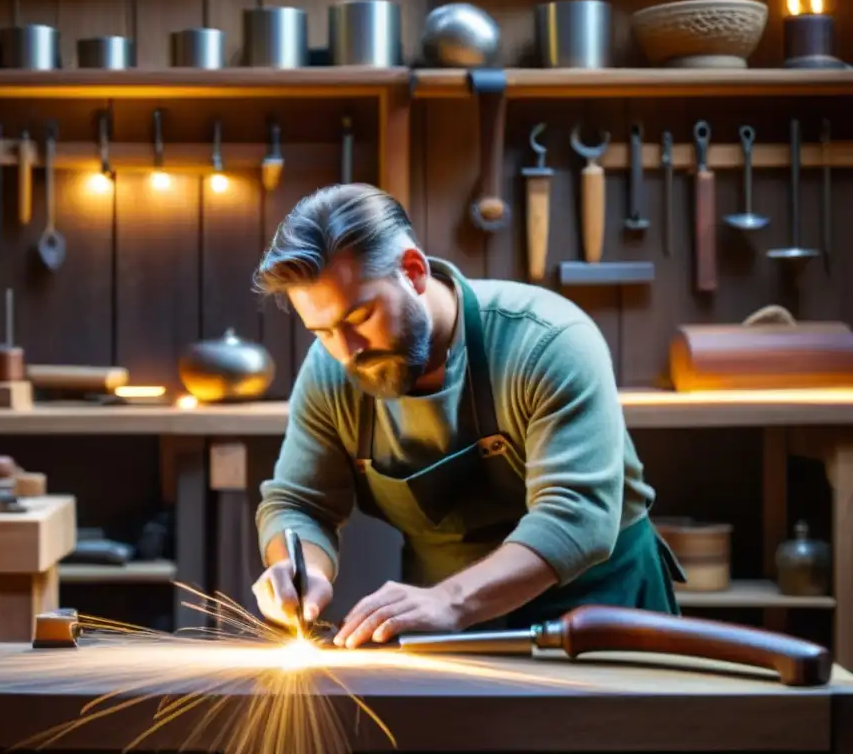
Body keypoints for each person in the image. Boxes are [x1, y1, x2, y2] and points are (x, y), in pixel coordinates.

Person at [250, 183, 683, 650]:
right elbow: (300, 504)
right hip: (446, 628)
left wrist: (451, 600)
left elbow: (576, 516)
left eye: (360, 316)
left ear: (413, 272)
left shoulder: (548, 342)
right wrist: (301, 568)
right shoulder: (332, 370)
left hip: (602, 612)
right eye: (323, 331)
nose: (348, 351)